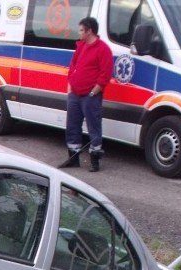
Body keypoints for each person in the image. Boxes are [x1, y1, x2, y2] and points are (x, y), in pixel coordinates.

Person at [64, 17, 112, 172]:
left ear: (89, 30)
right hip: (75, 94)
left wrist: (93, 92)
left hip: (90, 96)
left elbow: (105, 74)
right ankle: (73, 158)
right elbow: (73, 67)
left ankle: (95, 160)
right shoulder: (81, 46)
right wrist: (70, 85)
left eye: (81, 30)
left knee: (94, 127)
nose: (79, 33)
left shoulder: (103, 49)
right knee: (72, 126)